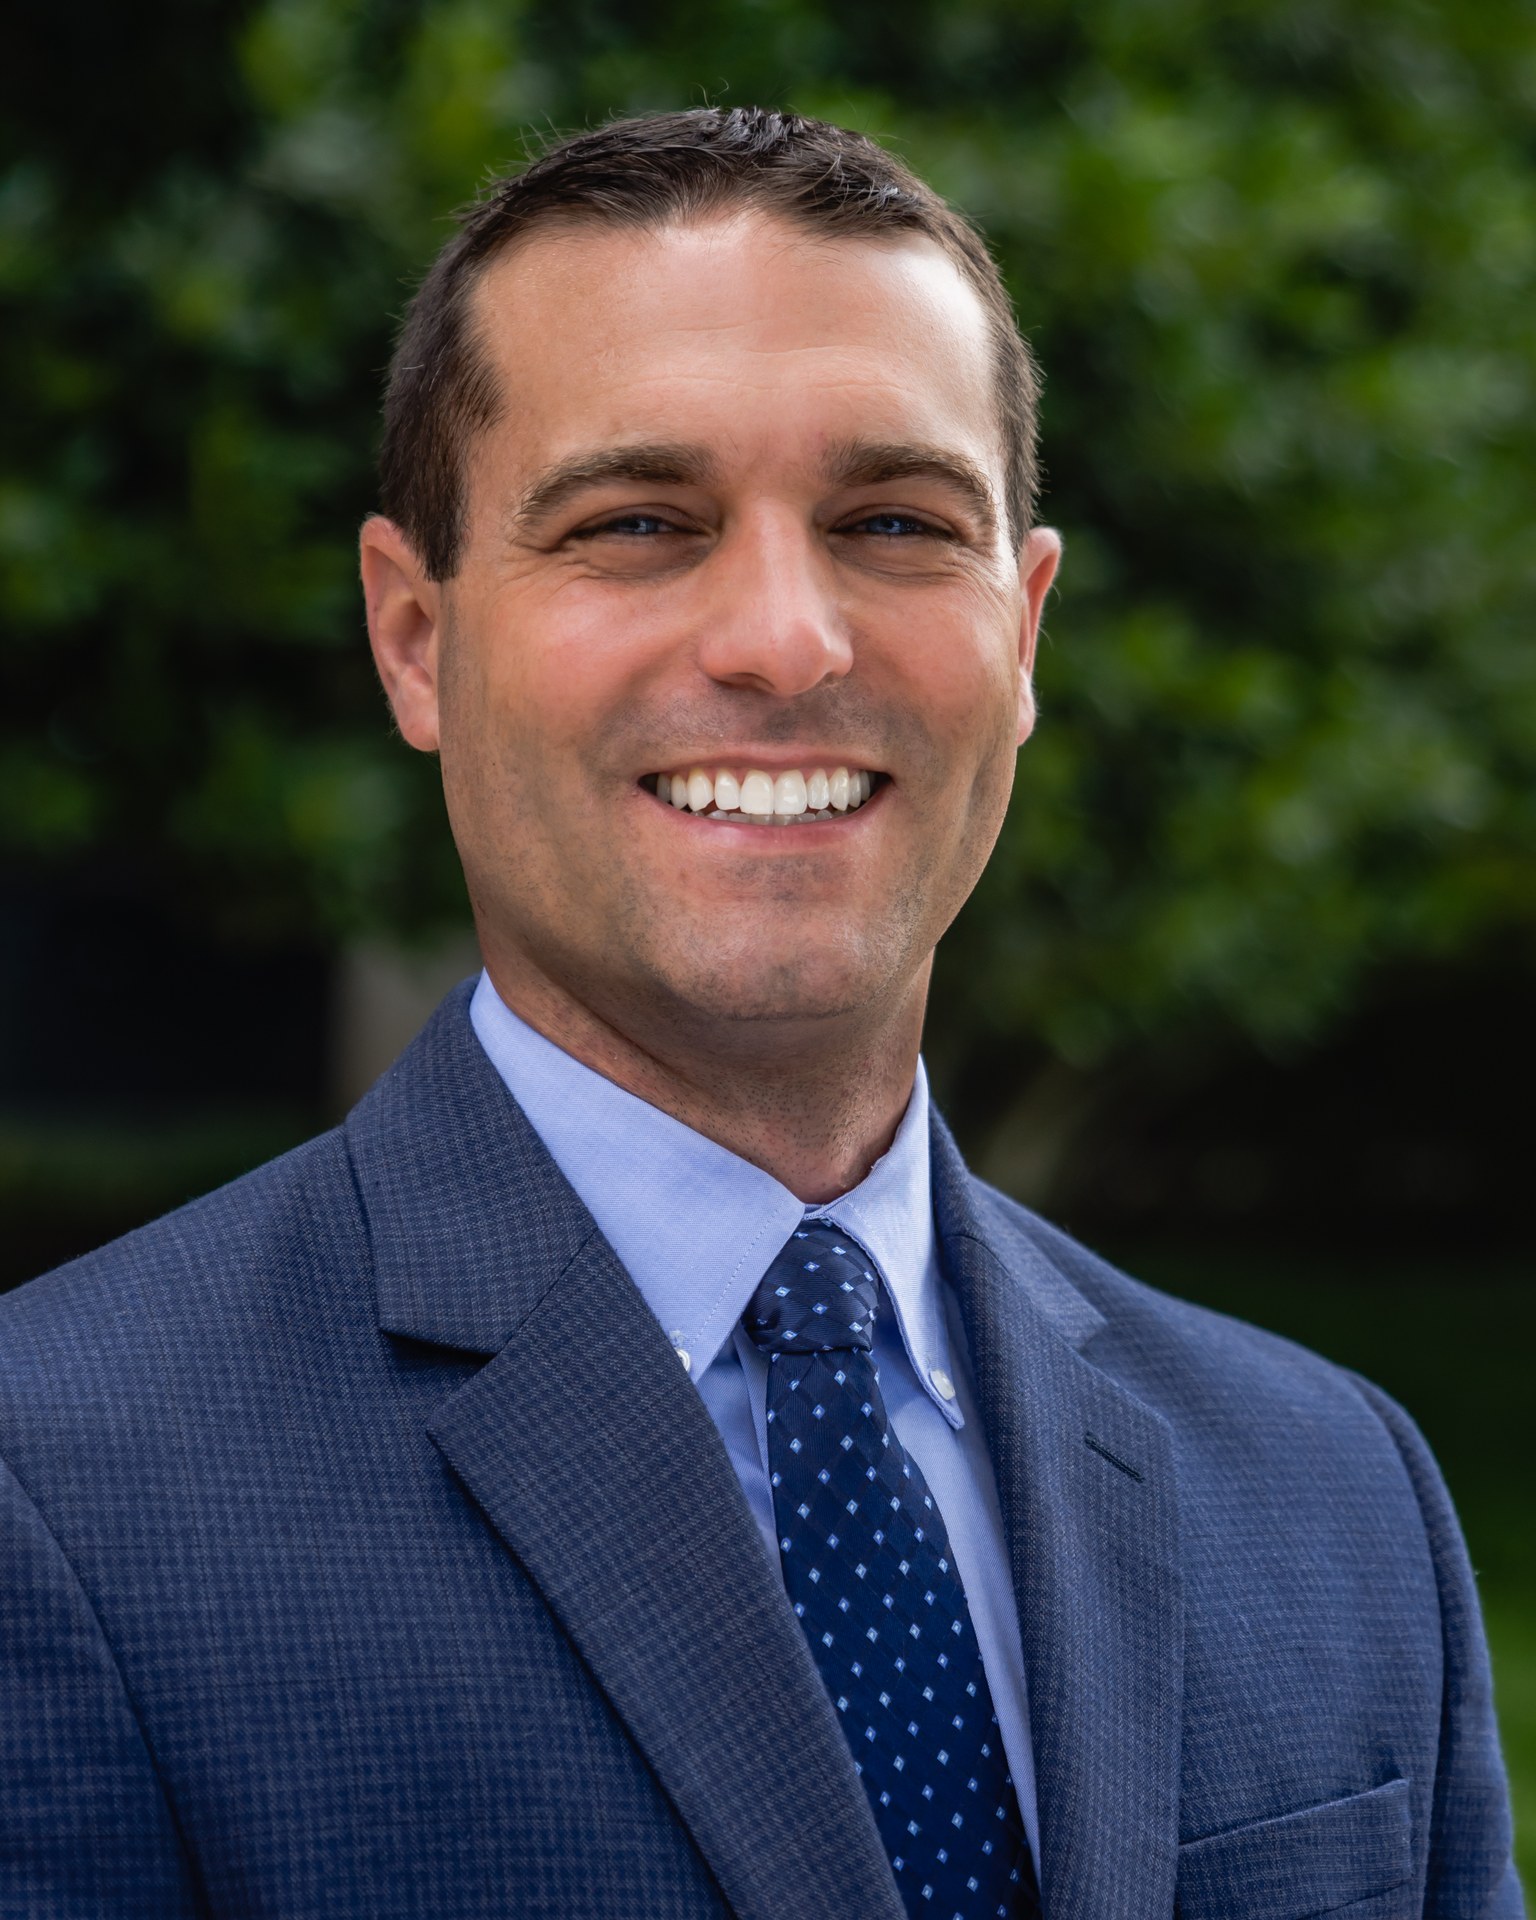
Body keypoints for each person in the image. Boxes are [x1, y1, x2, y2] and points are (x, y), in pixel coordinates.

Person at [0, 107, 1519, 1920]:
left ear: (1023, 636)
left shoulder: (1334, 1493)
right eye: (639, 523)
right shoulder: (58, 1496)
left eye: (894, 519)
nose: (788, 639)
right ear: (417, 638)